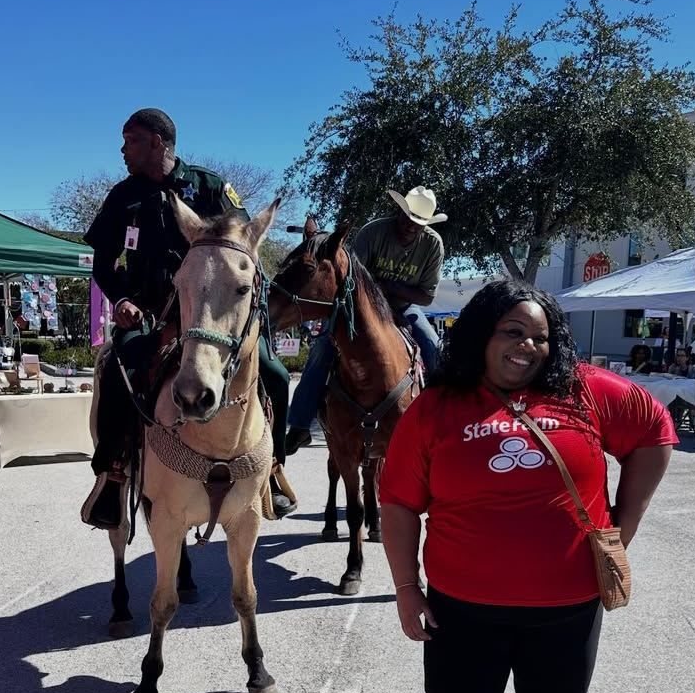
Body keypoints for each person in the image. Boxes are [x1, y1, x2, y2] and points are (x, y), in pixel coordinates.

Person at [378, 279, 676, 693]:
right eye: (512, 332)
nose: (527, 346)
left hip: (567, 604)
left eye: (541, 336)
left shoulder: (583, 390)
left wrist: (623, 523)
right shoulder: (436, 408)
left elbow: (654, 431)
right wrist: (407, 589)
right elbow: (399, 503)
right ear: (481, 335)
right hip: (462, 605)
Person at [80, 107, 293, 529]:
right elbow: (103, 262)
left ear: (157, 143)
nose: (123, 149)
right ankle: (114, 473)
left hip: (211, 312)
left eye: (131, 140)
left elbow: (244, 248)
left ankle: (272, 467)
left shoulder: (210, 187)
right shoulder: (123, 198)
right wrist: (120, 297)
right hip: (150, 312)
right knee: (116, 368)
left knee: (275, 371)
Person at [284, 186, 446, 455]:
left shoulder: (432, 245)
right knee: (323, 346)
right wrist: (375, 289)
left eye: (419, 223)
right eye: (408, 218)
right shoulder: (373, 232)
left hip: (405, 309)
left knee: (432, 345)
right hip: (360, 309)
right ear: (399, 211)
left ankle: (443, 420)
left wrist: (386, 285)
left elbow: (426, 297)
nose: (411, 226)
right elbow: (352, 280)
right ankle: (300, 424)